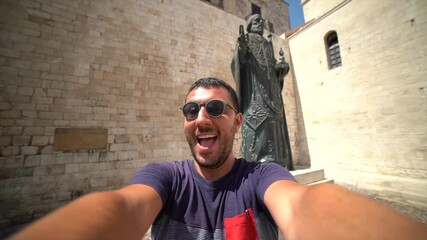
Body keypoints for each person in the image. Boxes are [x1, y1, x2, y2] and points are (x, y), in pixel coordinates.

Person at [10, 77, 427, 240]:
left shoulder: (262, 177)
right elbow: (121, 207)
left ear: (239, 120)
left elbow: (303, 206)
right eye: (192, 111)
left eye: (215, 109)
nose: (201, 118)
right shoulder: (165, 177)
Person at [231, 14, 293, 170]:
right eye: (256, 21)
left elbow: (272, 68)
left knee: (274, 127)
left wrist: (280, 70)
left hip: (273, 96)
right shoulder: (246, 40)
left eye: (261, 21)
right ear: (250, 24)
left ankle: (276, 165)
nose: (260, 23)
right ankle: (255, 167)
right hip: (255, 94)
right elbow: (238, 63)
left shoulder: (267, 44)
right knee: (258, 126)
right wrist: (242, 49)